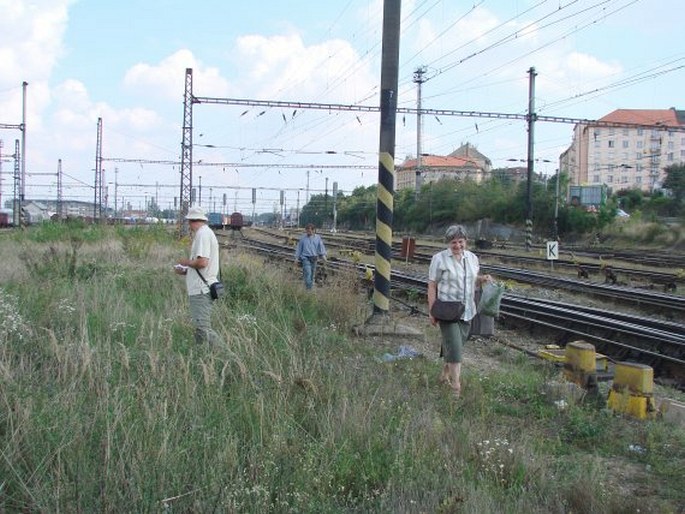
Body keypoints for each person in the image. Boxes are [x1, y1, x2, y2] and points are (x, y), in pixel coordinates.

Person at [428, 225, 492, 398]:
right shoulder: (439, 259)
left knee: (456, 345)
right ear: (448, 243)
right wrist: (431, 310)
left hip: (467, 311)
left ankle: (444, 375)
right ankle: (456, 388)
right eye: (453, 242)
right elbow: (432, 284)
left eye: (460, 242)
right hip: (446, 311)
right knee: (455, 350)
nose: (457, 245)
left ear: (466, 242)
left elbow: (472, 281)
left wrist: (482, 279)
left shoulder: (472, 258)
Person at [174, 206, 221, 346]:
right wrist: (186, 270)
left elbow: (202, 262)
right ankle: (203, 358)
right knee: (200, 330)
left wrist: (185, 262)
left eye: (189, 222)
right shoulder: (205, 233)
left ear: (192, 221)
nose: (188, 225)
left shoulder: (202, 234)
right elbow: (202, 266)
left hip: (201, 289)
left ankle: (228, 357)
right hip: (203, 286)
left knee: (203, 329)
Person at [294, 223, 327, 290]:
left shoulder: (318, 238)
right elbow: (299, 248)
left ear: (314, 230)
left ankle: (309, 288)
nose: (309, 231)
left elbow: (320, 247)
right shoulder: (303, 238)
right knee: (308, 273)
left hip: (314, 258)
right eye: (308, 230)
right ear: (306, 230)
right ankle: (309, 289)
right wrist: (296, 258)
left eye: (311, 230)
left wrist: (323, 256)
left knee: (312, 275)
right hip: (305, 258)